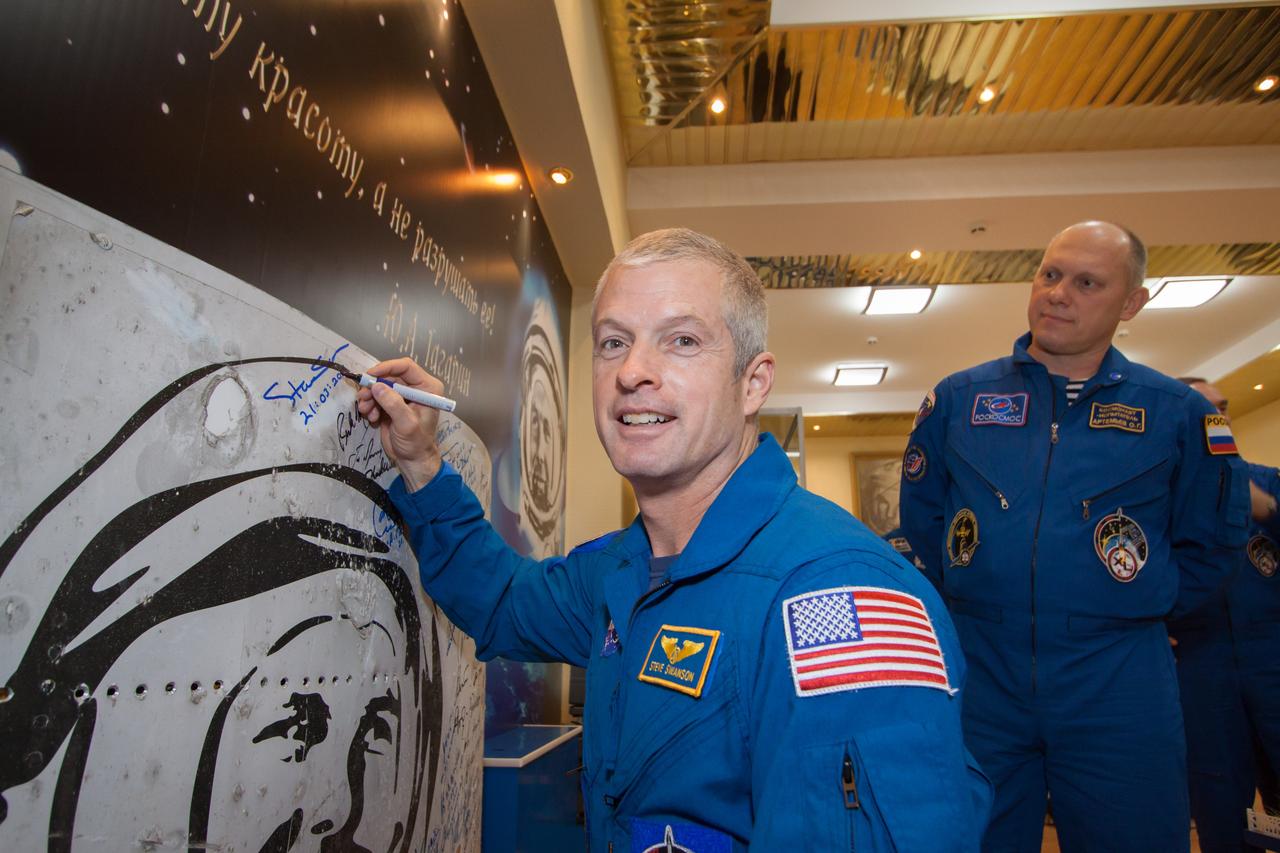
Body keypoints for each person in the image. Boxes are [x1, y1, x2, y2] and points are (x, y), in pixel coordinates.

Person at [358, 227, 992, 850]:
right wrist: (422, 464)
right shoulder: (622, 568)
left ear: (754, 383)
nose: (633, 371)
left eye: (682, 340)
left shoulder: (837, 594)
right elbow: (501, 599)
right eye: (613, 342)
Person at [899, 220, 1251, 852]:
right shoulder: (958, 399)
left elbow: (1215, 538)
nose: (1058, 293)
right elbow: (924, 518)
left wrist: (1139, 606)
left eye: (1087, 282)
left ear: (1131, 303)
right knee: (970, 837)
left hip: (1118, 677)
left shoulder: (1176, 413)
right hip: (983, 670)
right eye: (1050, 274)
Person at [1169, 377, 1280, 853]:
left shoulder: (1270, 482)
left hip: (1273, 658)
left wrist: (1268, 510)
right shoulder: (1160, 503)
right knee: (1218, 801)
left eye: (1223, 408)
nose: (1218, 418)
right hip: (1200, 666)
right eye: (1204, 411)